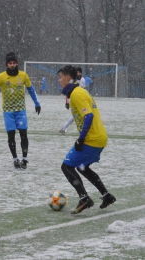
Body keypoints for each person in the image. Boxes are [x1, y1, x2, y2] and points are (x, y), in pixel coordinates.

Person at [58, 65, 116, 214]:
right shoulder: (77, 92)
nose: (59, 81)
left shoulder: (77, 94)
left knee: (66, 166)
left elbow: (88, 116)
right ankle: (106, 195)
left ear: (68, 78)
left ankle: (84, 198)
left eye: (60, 77)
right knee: (82, 167)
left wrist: (81, 139)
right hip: (99, 137)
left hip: (92, 139)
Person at [0, 52, 41, 169]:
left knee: (23, 135)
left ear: (17, 63)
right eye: (10, 63)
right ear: (6, 64)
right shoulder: (1, 77)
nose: (12, 65)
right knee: (11, 137)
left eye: (14, 63)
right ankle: (15, 160)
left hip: (21, 111)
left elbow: (31, 89)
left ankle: (24, 160)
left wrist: (37, 103)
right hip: (8, 112)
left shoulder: (23, 76)